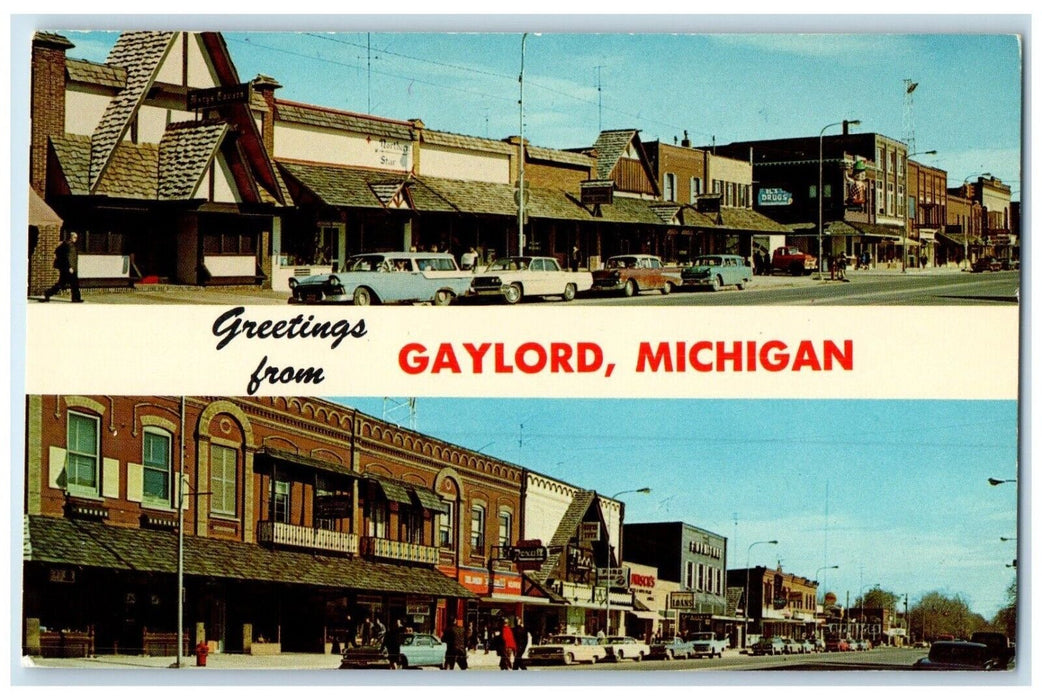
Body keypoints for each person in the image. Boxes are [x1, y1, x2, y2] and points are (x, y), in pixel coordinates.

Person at [43, 231, 82, 302]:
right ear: (71, 237)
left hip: (70, 268)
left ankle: (76, 298)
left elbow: (59, 252)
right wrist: (69, 267)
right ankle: (48, 293)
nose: (76, 239)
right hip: (69, 268)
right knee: (70, 283)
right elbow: (67, 257)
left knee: (71, 283)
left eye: (76, 237)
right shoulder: (68, 245)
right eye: (74, 237)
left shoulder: (67, 245)